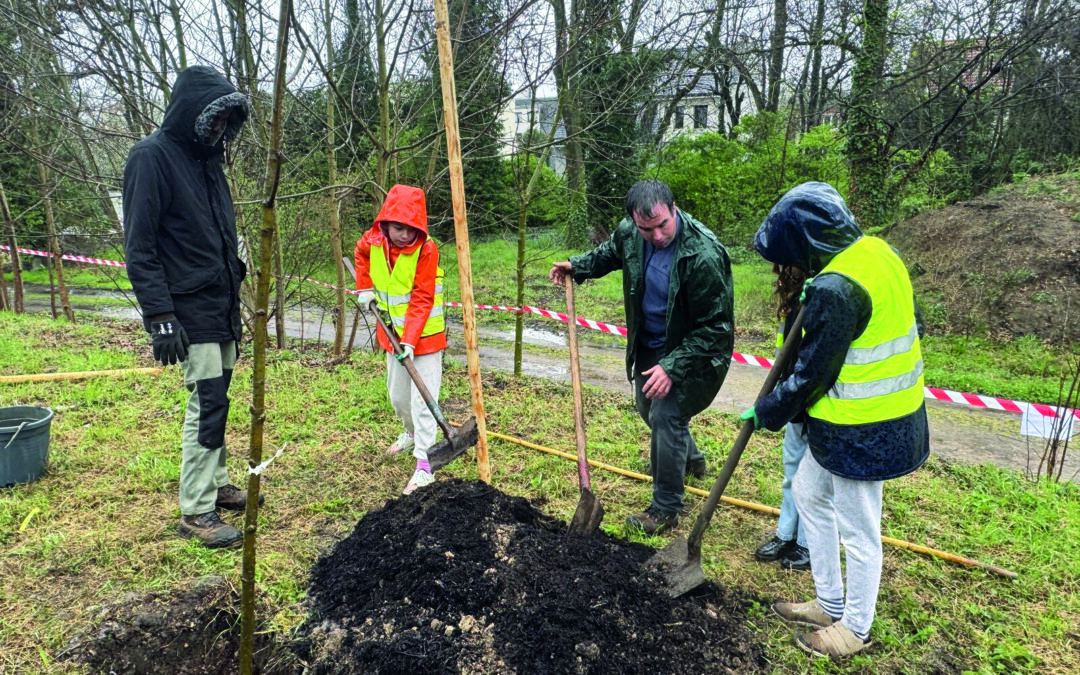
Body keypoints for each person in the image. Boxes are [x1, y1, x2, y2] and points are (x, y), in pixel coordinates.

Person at [742, 182, 929, 658]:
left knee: (860, 530)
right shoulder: (876, 253)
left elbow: (810, 376)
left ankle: (855, 629)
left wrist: (767, 411)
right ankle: (829, 602)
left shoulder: (836, 287)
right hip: (849, 423)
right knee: (807, 493)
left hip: (866, 427)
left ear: (808, 244)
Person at [550, 179, 734, 535]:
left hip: (694, 352)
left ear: (674, 208)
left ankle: (665, 509)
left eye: (663, 224)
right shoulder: (632, 234)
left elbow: (716, 329)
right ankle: (690, 459)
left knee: (666, 414)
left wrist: (672, 366)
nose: (657, 235)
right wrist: (577, 265)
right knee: (647, 407)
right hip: (650, 343)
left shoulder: (704, 255)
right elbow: (610, 253)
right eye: (647, 228)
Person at [123, 66, 256, 550]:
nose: (220, 129)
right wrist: (160, 316)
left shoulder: (208, 162)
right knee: (205, 405)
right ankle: (196, 509)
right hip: (187, 307)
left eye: (226, 121)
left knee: (217, 398)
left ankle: (216, 484)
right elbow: (140, 247)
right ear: (191, 112)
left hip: (220, 304)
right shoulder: (151, 158)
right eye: (213, 119)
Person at [354, 184, 446, 495]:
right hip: (392, 334)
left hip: (426, 337)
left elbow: (422, 296)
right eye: (398, 227)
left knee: (424, 401)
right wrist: (364, 288)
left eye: (410, 228)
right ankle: (410, 433)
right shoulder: (374, 240)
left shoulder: (426, 249)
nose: (404, 235)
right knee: (398, 396)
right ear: (385, 222)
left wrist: (411, 340)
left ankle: (424, 464)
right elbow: (360, 254)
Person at [753, 264, 811, 572]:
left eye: (785, 271)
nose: (779, 277)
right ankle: (786, 535)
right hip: (793, 399)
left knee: (815, 485)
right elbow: (784, 353)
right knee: (792, 472)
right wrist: (775, 394)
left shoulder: (822, 296)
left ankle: (807, 543)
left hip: (821, 404)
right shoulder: (794, 304)